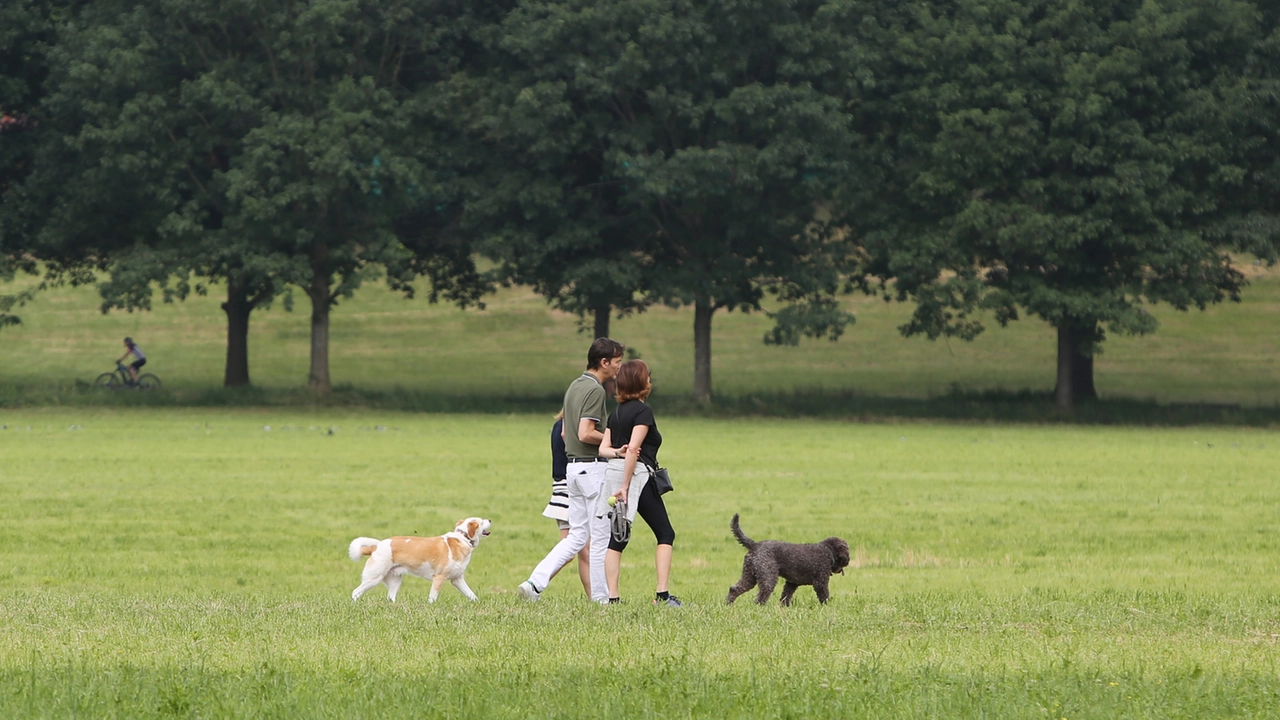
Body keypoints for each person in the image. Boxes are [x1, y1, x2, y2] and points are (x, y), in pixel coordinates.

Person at [517, 338, 625, 604]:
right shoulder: (596, 391)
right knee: (599, 538)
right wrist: (614, 444)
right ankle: (601, 601)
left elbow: (566, 433)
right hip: (592, 472)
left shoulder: (574, 387)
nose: (619, 369)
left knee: (576, 537)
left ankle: (534, 583)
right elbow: (585, 433)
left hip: (573, 473)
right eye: (617, 363)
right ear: (604, 362)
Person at [598, 359, 681, 606]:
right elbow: (634, 449)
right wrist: (625, 485)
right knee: (665, 533)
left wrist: (617, 453)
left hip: (613, 473)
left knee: (618, 539)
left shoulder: (616, 414)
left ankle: (613, 599)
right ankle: (663, 597)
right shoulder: (643, 411)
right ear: (642, 381)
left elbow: (604, 449)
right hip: (636, 477)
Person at [542, 411, 591, 596]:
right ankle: (534, 583)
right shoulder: (571, 428)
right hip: (570, 490)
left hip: (561, 489)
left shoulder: (558, 426)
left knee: (583, 551)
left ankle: (595, 599)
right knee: (572, 550)